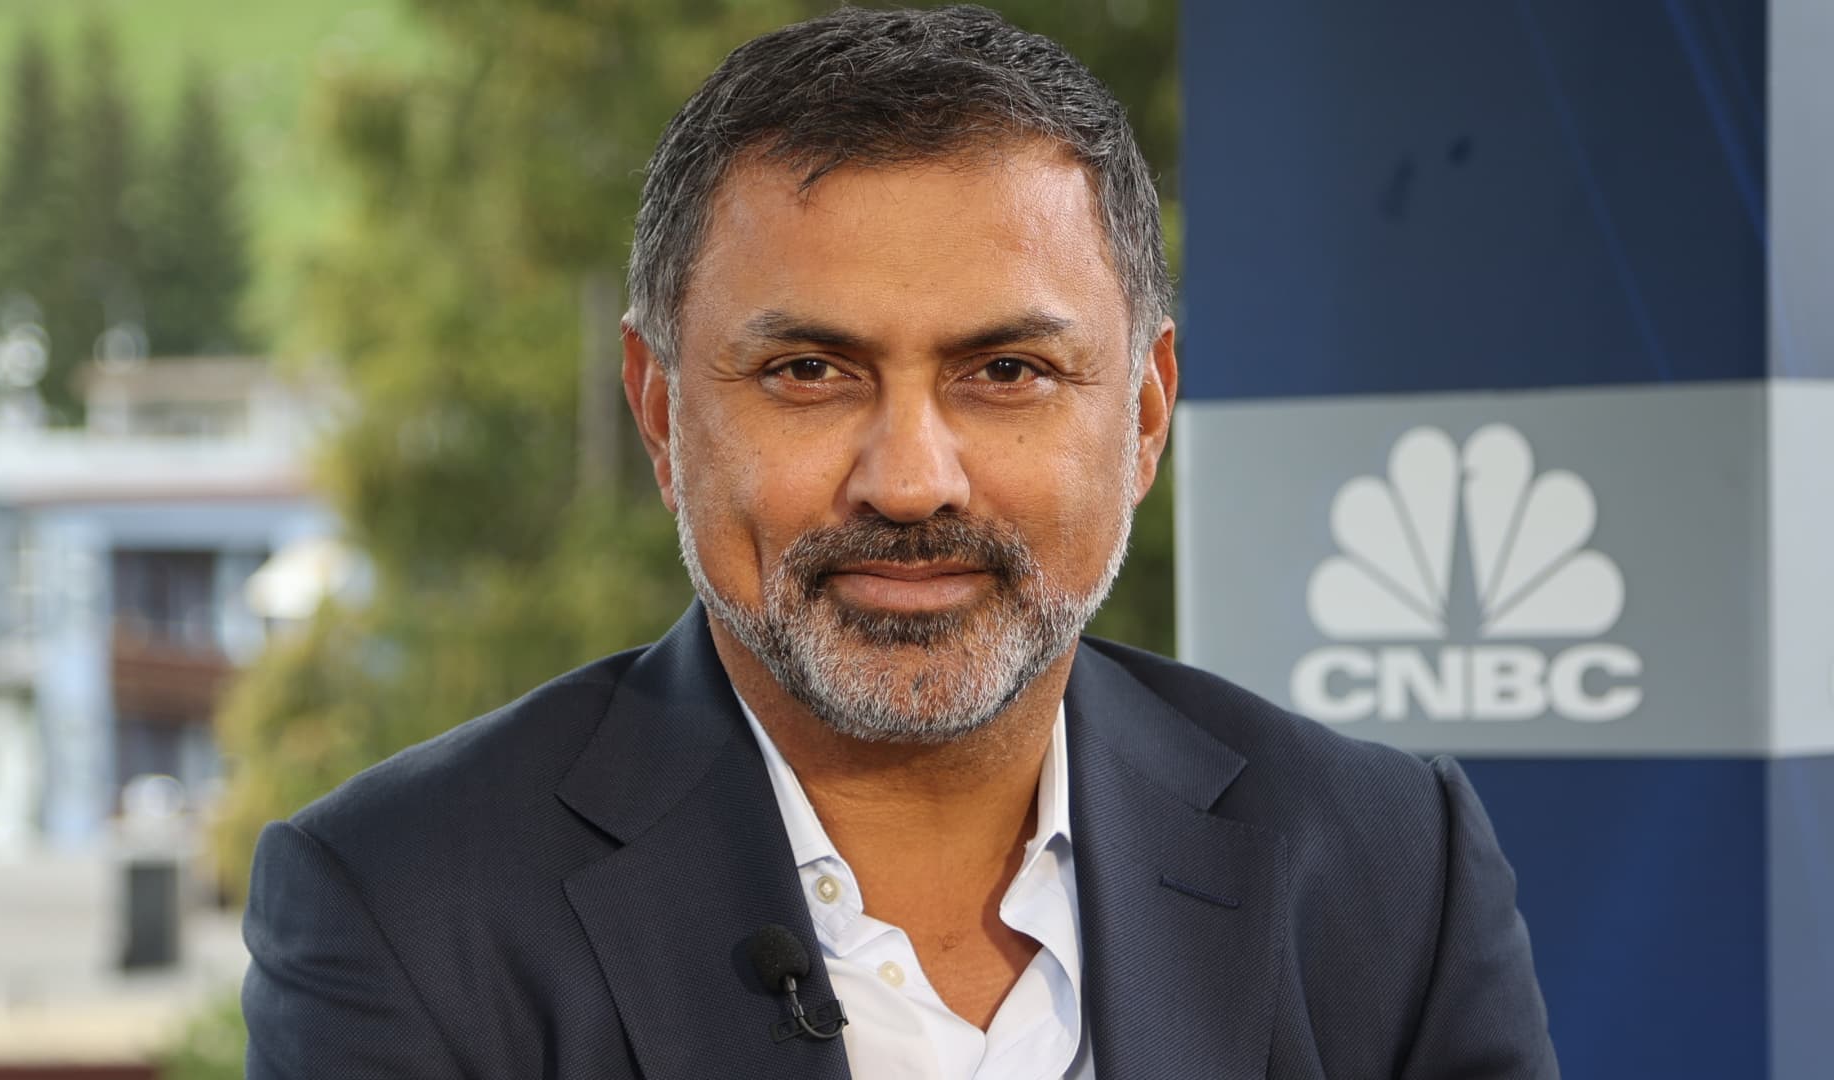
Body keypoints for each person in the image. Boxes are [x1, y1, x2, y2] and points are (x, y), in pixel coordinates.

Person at [240, 6, 1558, 1078]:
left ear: (1146, 414)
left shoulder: (1394, 872)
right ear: (659, 410)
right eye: (810, 372)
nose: (913, 483)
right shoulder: (404, 905)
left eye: (1007, 371)